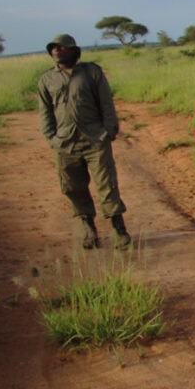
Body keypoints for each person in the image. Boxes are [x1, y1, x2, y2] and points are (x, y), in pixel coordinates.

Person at [37, 33, 132, 250]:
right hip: (65, 143)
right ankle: (88, 228)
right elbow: (45, 113)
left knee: (107, 185)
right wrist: (52, 139)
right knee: (73, 187)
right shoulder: (47, 80)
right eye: (54, 48)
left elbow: (106, 103)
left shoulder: (91, 72)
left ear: (73, 50)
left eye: (62, 47)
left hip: (95, 140)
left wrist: (109, 131)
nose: (57, 50)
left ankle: (119, 229)